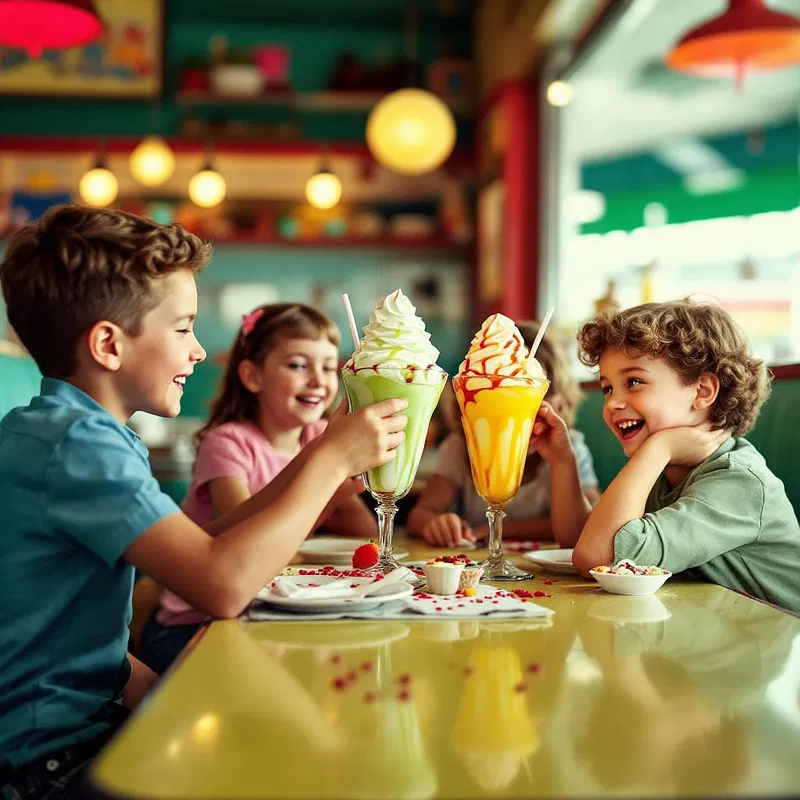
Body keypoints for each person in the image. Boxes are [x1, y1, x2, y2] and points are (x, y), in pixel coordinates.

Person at [0, 205, 406, 799]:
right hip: (52, 765)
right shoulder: (80, 447)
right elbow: (221, 584)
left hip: (67, 735)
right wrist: (333, 461)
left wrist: (314, 459)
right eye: (184, 327)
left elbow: (208, 547)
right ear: (109, 344)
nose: (197, 351)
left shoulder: (58, 430)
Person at [140, 302, 376, 674]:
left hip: (268, 611)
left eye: (329, 367)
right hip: (195, 626)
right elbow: (240, 534)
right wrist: (327, 478)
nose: (319, 380)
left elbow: (365, 534)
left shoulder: (318, 438)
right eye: (298, 365)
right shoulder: (229, 443)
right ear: (252, 376)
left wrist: (341, 483)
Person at [558, 299, 799, 612]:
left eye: (633, 382)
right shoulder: (666, 472)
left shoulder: (740, 483)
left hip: (777, 640)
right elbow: (584, 542)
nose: (613, 402)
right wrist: (563, 461)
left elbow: (598, 557)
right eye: (607, 388)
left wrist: (659, 448)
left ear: (702, 392)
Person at [407, 321, 599, 548]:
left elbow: (592, 524)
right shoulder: (461, 447)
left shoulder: (570, 450)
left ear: (562, 404)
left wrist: (498, 530)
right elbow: (419, 516)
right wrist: (436, 522)